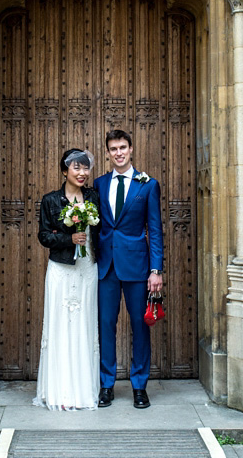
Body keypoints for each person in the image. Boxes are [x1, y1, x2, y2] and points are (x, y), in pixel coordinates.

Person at [93, 130, 163, 409]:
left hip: (137, 266)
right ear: (108, 153)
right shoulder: (98, 184)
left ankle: (139, 385)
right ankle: (107, 384)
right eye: (113, 149)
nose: (119, 152)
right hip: (106, 266)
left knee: (139, 326)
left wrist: (156, 269)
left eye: (123, 147)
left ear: (131, 149)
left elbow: (154, 230)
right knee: (106, 325)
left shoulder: (148, 185)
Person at [33, 148, 101, 410]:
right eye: (76, 168)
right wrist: (68, 238)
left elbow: (101, 228)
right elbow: (44, 236)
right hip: (61, 269)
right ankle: (58, 392)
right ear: (65, 171)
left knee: (84, 324)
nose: (82, 173)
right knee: (60, 325)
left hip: (87, 268)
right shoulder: (51, 200)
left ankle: (85, 391)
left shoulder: (93, 197)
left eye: (85, 168)